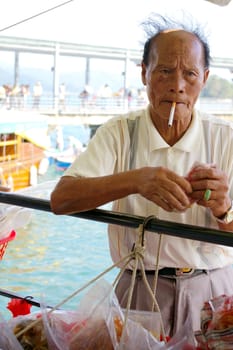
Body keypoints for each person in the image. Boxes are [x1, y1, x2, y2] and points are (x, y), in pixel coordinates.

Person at [50, 13, 233, 337]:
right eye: (164, 71)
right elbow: (62, 198)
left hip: (214, 290)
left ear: (204, 78)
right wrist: (137, 180)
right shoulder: (120, 133)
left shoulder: (224, 138)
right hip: (139, 287)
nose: (177, 85)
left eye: (189, 74)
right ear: (144, 73)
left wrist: (223, 208)